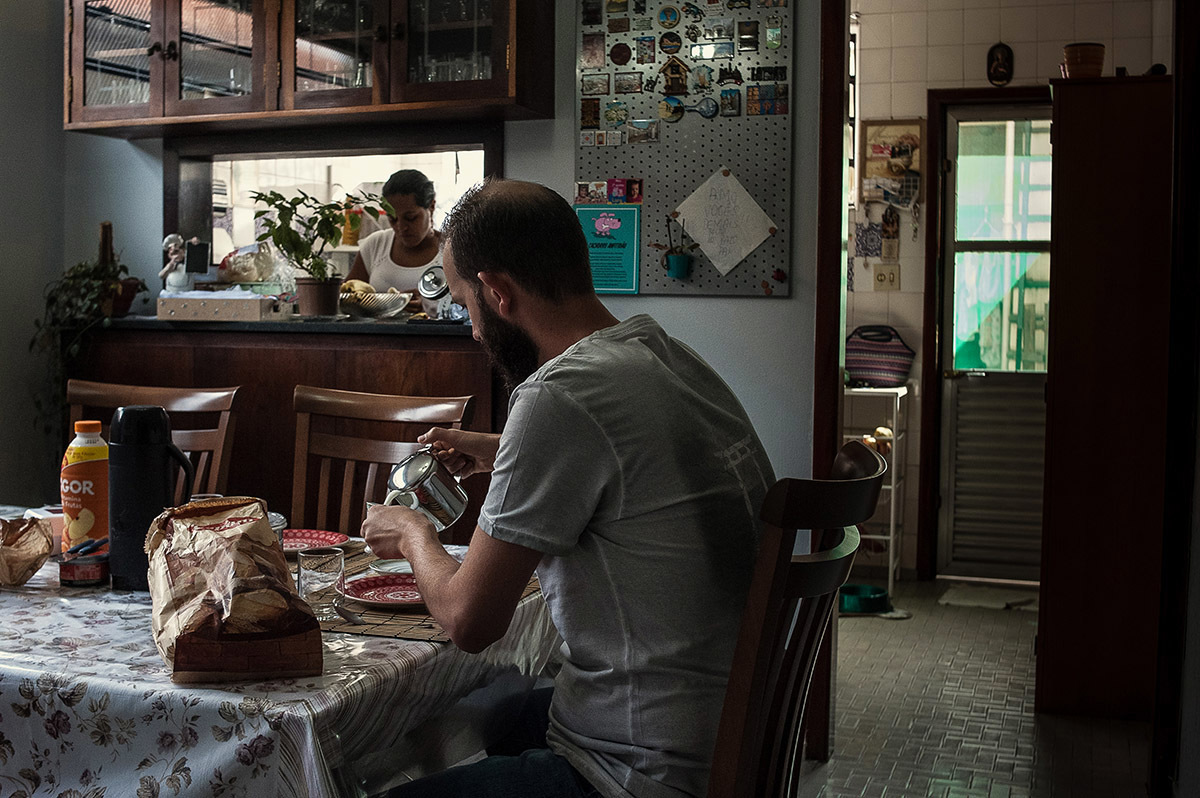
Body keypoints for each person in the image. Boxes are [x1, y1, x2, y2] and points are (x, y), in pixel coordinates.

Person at [362, 179, 775, 798]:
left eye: (464, 302)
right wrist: (497, 448)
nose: (472, 329)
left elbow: (469, 622)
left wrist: (415, 533)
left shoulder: (557, 395)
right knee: (484, 716)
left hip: (638, 770)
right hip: (722, 735)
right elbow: (637, 468)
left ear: (498, 293)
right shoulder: (663, 354)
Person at [345, 169, 441, 314]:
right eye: (392, 219)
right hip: (378, 336)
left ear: (431, 207)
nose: (401, 227)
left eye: (411, 218)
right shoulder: (376, 245)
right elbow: (348, 297)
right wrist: (383, 302)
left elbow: (472, 308)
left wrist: (430, 307)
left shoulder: (452, 249)